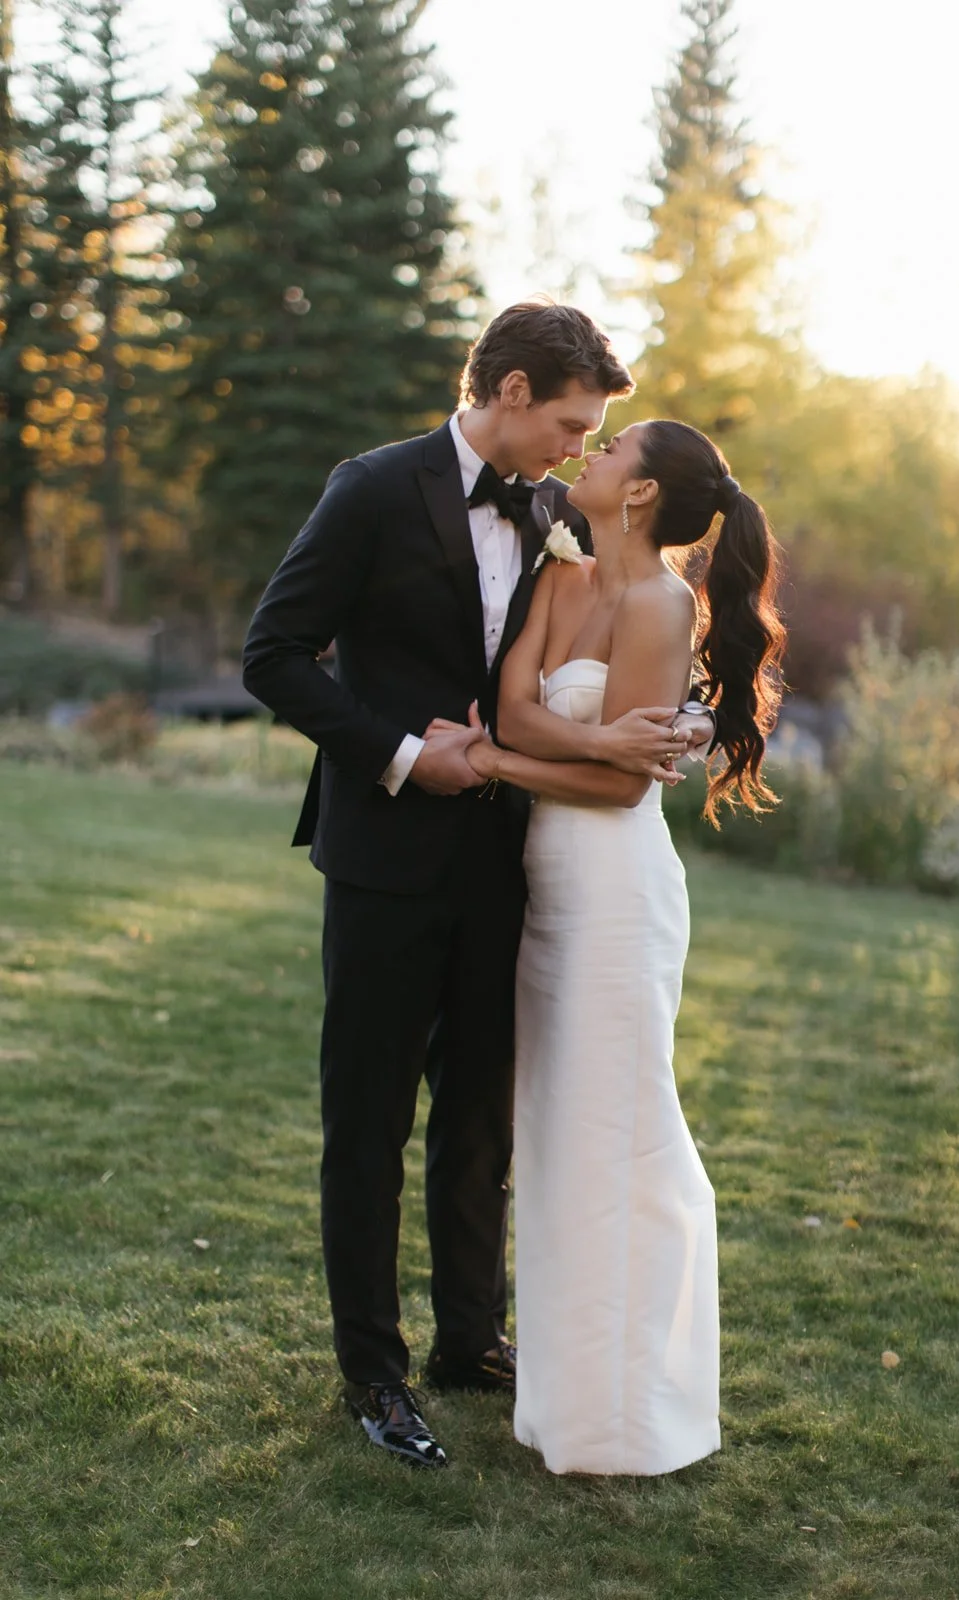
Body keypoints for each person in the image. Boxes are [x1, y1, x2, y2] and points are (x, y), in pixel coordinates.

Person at [241, 302, 715, 1469]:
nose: (572, 444)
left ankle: (469, 1339)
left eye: (588, 432)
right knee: (370, 1120)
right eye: (565, 421)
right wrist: (403, 755)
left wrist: (678, 716)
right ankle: (374, 1373)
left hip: (518, 863)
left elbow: (594, 651)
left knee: (481, 1119)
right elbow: (272, 654)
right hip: (387, 859)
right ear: (507, 392)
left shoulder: (561, 512)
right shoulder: (371, 489)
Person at [455, 417, 785, 1474]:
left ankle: (629, 1413)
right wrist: (588, 739)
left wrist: (513, 763)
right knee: (553, 1136)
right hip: (546, 892)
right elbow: (514, 710)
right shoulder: (562, 577)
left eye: (610, 453)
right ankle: (564, 1400)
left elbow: (592, 780)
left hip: (614, 894)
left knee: (617, 1134)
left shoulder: (658, 602)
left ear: (638, 495)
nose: (586, 459)